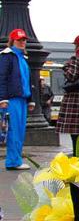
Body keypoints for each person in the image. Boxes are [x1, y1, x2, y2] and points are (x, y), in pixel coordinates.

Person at [0, 29, 36, 170]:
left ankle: (15, 159)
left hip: (21, 99)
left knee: (19, 130)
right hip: (12, 99)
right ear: (13, 41)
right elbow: (1, 78)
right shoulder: (7, 56)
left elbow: (27, 80)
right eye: (19, 40)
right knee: (13, 130)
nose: (22, 42)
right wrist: (2, 99)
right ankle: (13, 161)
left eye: (24, 40)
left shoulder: (21, 57)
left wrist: (30, 99)